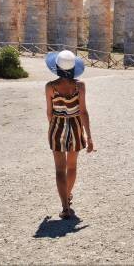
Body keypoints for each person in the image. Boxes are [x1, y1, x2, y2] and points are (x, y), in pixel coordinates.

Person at [44, 50, 94, 219]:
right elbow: (84, 112)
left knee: (59, 169)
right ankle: (68, 196)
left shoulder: (50, 87)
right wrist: (89, 136)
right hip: (75, 126)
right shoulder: (80, 86)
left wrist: (53, 129)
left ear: (56, 67)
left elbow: (49, 112)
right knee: (72, 166)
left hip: (57, 127)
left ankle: (65, 206)